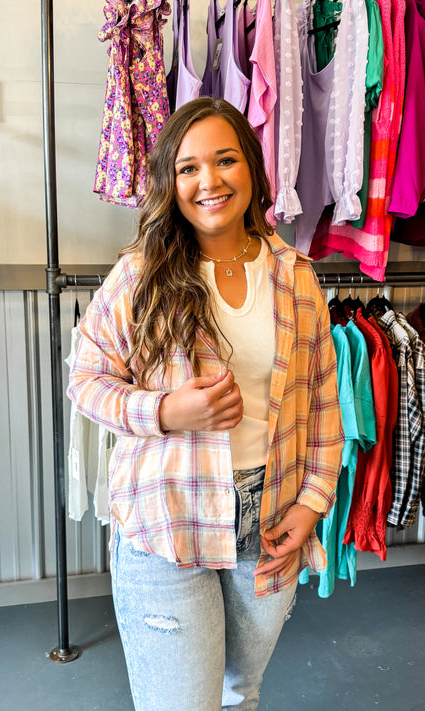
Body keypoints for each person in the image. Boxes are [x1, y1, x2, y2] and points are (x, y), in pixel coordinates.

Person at [67, 96, 344, 711]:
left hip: (270, 518)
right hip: (166, 521)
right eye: (188, 167)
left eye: (224, 160)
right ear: (170, 181)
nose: (209, 181)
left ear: (251, 166)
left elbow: (324, 404)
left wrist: (314, 503)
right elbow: (85, 380)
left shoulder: (297, 277)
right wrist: (165, 413)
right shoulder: (141, 275)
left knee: (242, 692)